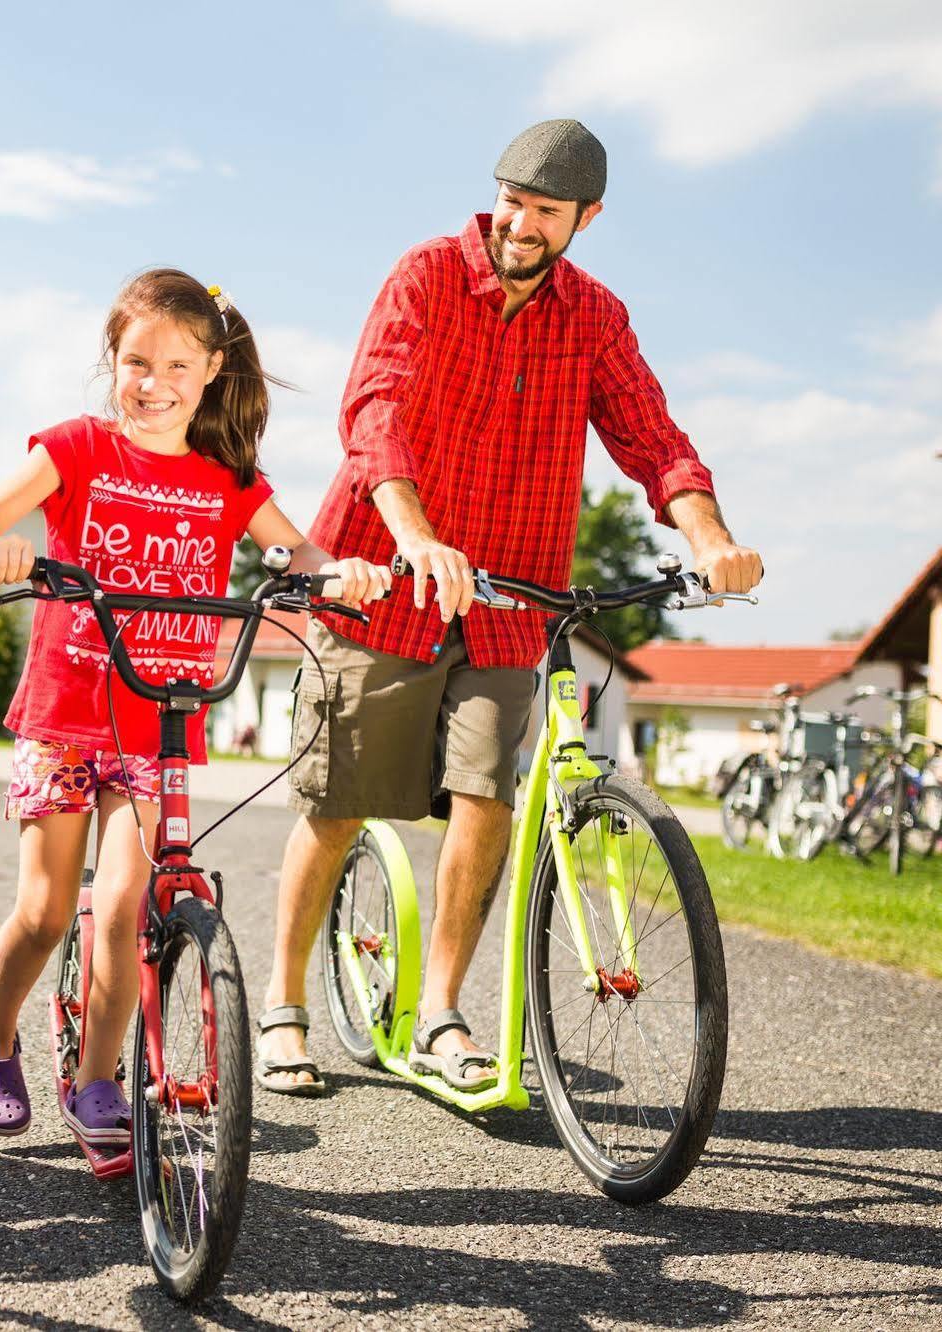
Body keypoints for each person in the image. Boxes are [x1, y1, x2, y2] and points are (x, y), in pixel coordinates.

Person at [255, 119, 764, 1096]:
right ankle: (283, 1007)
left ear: (587, 218)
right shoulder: (425, 276)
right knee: (337, 802)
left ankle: (442, 1012)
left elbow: (651, 436)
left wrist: (707, 539)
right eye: (511, 200)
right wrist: (413, 536)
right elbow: (375, 411)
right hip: (385, 583)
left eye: (544, 210)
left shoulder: (595, 318)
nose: (519, 223)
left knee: (485, 799)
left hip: (509, 599)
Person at [0, 268, 391, 1146]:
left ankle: (97, 1080)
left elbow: (299, 552)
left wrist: (338, 573)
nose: (153, 385)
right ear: (110, 363)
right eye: (135, 363)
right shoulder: (77, 448)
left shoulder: (228, 479)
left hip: (159, 718)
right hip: (64, 715)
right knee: (44, 911)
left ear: (212, 372)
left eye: (177, 367)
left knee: (123, 905)